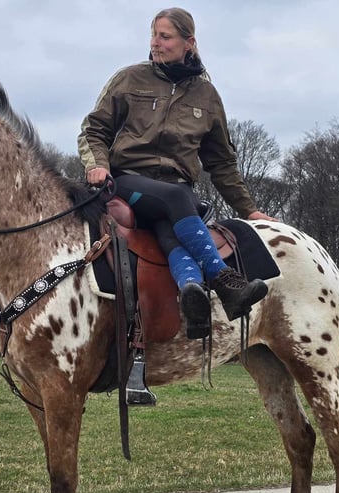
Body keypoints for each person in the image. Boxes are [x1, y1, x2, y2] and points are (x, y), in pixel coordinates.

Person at [78, 7, 274, 339]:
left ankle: (191, 291)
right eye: (153, 35)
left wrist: (249, 210)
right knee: (178, 198)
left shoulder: (207, 96)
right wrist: (97, 165)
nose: (155, 43)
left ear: (189, 42)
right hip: (127, 182)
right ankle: (224, 280)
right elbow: (94, 130)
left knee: (171, 232)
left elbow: (221, 163)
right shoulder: (128, 79)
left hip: (173, 197)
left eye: (165, 36)